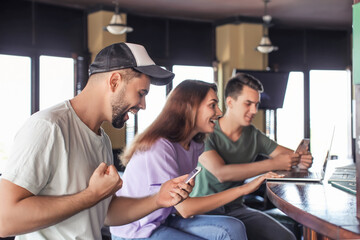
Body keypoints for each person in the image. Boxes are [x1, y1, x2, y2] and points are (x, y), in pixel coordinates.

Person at [0, 42, 193, 239]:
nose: (143, 105)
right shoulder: (48, 127)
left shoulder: (103, 140)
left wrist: (158, 199)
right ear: (115, 82)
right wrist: (91, 195)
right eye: (141, 93)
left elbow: (106, 212)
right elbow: (4, 219)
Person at [110, 80, 283, 240]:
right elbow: (185, 209)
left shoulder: (195, 145)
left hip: (162, 219)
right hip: (134, 231)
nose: (219, 113)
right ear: (190, 108)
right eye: (212, 105)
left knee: (234, 227)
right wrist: (243, 189)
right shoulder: (160, 147)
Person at [190, 73, 314, 240]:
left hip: (236, 209)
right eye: (248, 104)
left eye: (256, 104)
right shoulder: (208, 131)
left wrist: (300, 159)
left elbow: (288, 156)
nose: (254, 110)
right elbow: (221, 173)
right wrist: (272, 164)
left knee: (286, 238)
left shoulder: (253, 135)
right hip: (204, 211)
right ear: (230, 102)